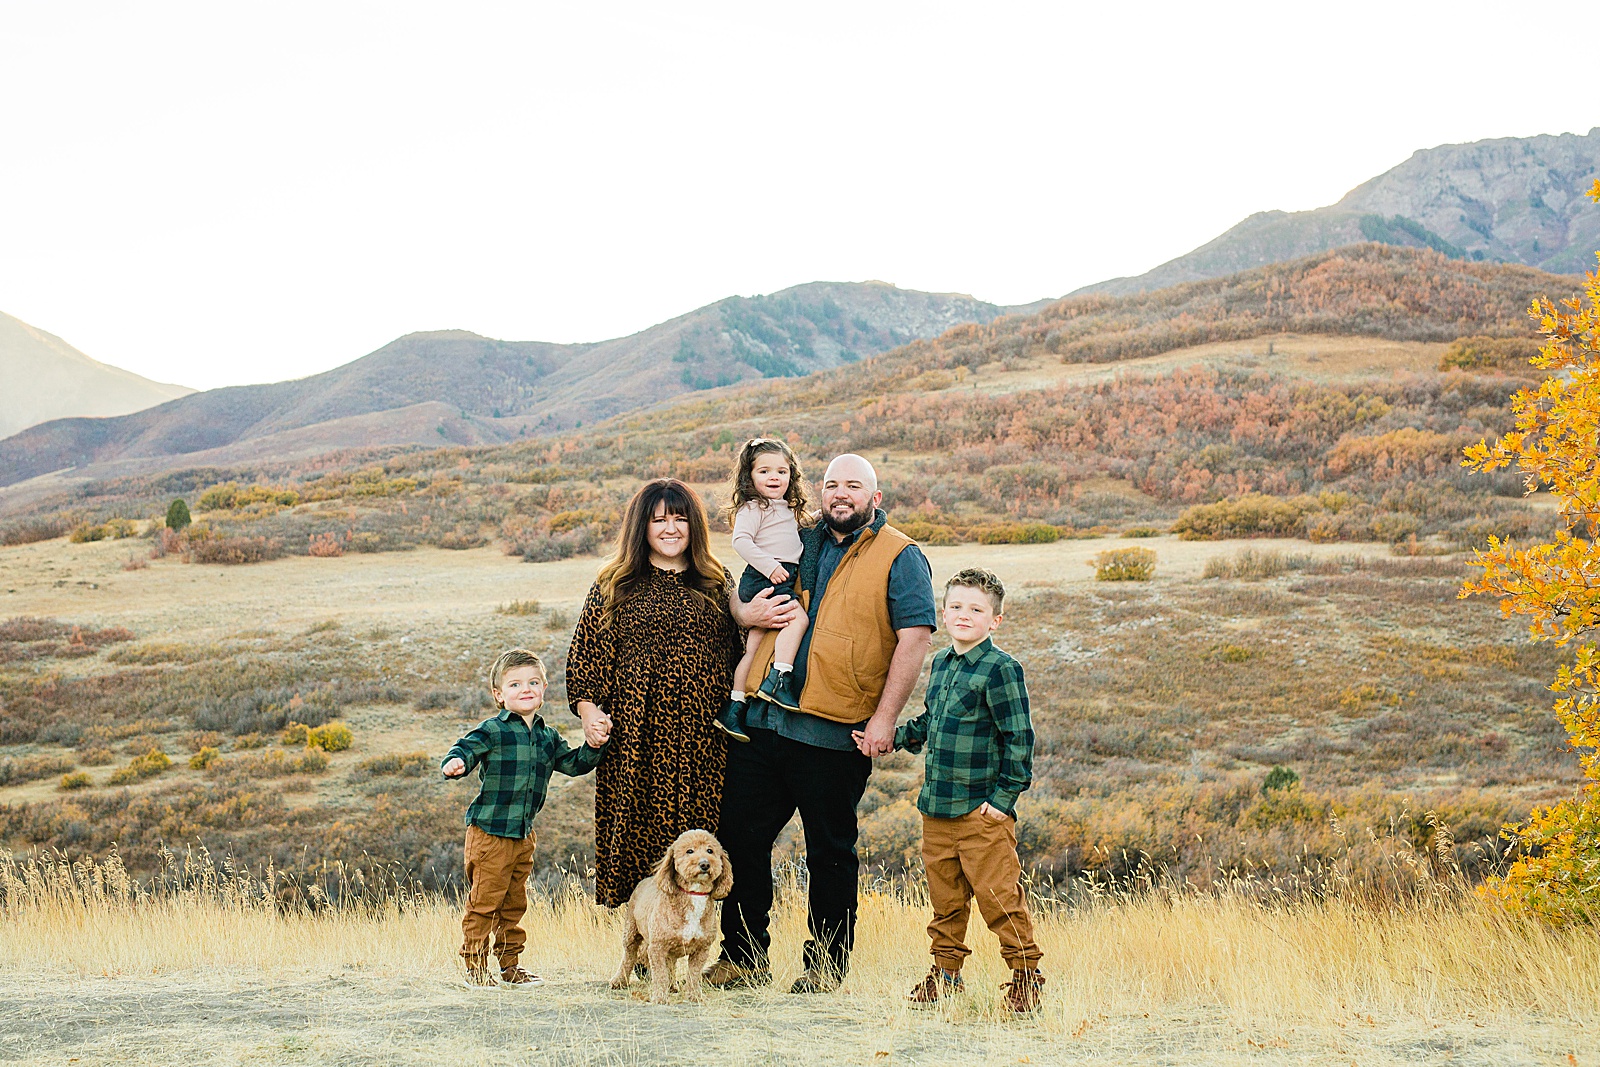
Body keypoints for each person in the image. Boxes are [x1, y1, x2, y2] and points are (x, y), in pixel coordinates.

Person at [706, 454, 936, 993]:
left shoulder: (900, 556)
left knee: (829, 853)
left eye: (853, 486)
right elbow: (743, 597)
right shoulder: (796, 536)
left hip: (835, 731)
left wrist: (885, 720)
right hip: (763, 722)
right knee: (740, 839)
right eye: (832, 484)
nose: (841, 494)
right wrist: (745, 616)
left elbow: (915, 638)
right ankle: (741, 959)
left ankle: (826, 969)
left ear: (874, 498)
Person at [858, 567, 1045, 1013]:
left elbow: (1020, 738)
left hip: (980, 813)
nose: (965, 615)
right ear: (943, 612)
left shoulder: (1001, 670)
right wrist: (891, 738)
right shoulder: (941, 663)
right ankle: (945, 975)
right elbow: (930, 723)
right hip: (936, 808)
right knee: (945, 901)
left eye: (977, 609)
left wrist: (1002, 802)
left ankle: (1025, 977)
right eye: (956, 606)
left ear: (994, 620)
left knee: (999, 898)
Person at [565, 478, 745, 908]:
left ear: (695, 525)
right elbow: (585, 657)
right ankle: (643, 948)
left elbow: (744, 651)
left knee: (702, 846)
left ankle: (702, 949)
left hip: (706, 740)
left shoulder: (717, 581)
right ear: (641, 526)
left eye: (680, 518)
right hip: (636, 740)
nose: (670, 528)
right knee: (640, 841)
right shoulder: (615, 582)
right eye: (659, 518)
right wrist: (589, 713)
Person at [441, 648, 609, 988]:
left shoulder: (548, 738)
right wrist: (456, 763)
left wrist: (595, 744)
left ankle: (510, 966)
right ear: (499, 695)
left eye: (533, 682)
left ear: (545, 688)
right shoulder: (493, 730)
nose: (526, 689)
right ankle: (475, 969)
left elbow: (575, 764)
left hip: (522, 835)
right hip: (489, 833)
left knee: (514, 903)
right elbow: (465, 748)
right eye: (515, 684)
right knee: (484, 903)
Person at [715, 437, 815, 742]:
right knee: (798, 620)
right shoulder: (753, 507)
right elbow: (741, 541)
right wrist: (769, 565)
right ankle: (779, 679)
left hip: (775, 576)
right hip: (765, 577)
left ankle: (734, 708)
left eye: (782, 472)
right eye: (765, 471)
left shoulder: (784, 507)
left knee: (755, 644)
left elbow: (793, 529)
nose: (774, 477)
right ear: (749, 477)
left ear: (791, 476)